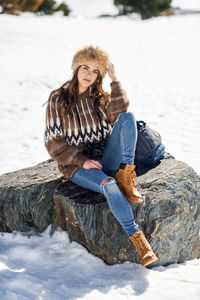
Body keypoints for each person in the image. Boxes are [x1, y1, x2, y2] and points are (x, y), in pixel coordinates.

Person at [44, 45, 158, 267]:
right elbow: (53, 142)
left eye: (96, 71)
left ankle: (126, 173)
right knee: (109, 184)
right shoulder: (59, 99)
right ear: (76, 68)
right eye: (85, 68)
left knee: (128, 117)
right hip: (76, 166)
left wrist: (115, 81)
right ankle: (139, 241)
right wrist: (81, 160)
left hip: (104, 155)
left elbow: (120, 113)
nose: (89, 74)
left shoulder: (99, 97)